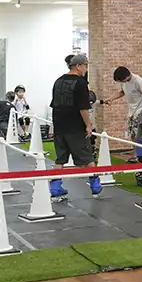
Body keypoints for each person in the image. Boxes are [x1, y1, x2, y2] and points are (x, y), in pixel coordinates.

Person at [49, 54, 101, 200]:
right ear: (78, 66)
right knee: (87, 156)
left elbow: (54, 105)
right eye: (85, 65)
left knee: (60, 159)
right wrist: (88, 125)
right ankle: (95, 185)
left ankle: (55, 188)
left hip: (59, 126)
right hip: (75, 127)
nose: (86, 69)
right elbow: (83, 108)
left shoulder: (58, 81)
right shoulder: (80, 83)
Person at [101, 66, 142, 140]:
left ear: (126, 77)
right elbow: (122, 92)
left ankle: (141, 147)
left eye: (120, 81)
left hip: (140, 111)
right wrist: (111, 99)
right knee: (132, 134)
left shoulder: (138, 81)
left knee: (139, 134)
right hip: (132, 112)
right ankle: (134, 147)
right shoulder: (124, 82)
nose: (121, 82)